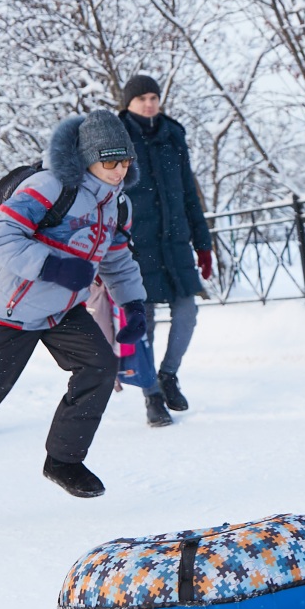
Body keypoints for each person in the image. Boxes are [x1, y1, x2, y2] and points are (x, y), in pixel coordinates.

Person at [0, 113, 147, 517]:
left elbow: (117, 258)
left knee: (99, 366)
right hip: (11, 310)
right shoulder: (51, 186)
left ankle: (63, 460)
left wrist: (133, 304)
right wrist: (54, 267)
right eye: (110, 162)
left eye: (125, 161)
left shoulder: (116, 202)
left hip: (62, 310)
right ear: (88, 159)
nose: (120, 169)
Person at [114, 74, 213, 426]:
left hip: (175, 243)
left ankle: (168, 375)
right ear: (128, 103)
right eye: (141, 98)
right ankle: (151, 394)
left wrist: (203, 244)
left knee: (187, 311)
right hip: (135, 247)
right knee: (145, 323)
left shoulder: (173, 135)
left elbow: (189, 192)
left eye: (154, 97)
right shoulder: (116, 138)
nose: (149, 103)